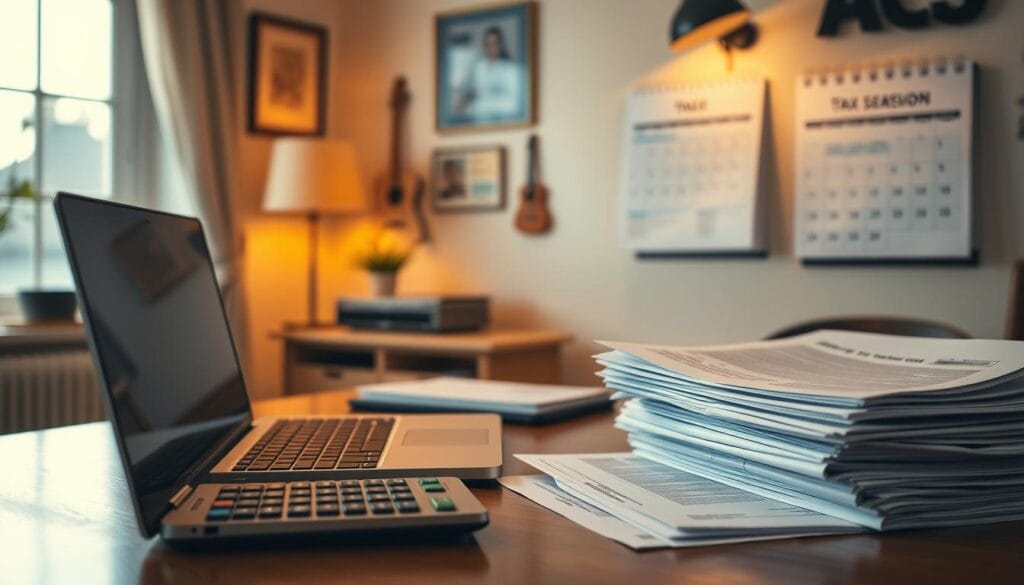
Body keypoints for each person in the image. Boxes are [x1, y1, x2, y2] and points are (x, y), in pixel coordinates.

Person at [453, 26, 523, 121]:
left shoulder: (511, 69)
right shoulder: (478, 68)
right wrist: (466, 101)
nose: (491, 48)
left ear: (501, 45)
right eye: (487, 44)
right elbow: (472, 92)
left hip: (502, 118)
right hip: (480, 120)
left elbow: (514, 102)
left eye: (494, 44)